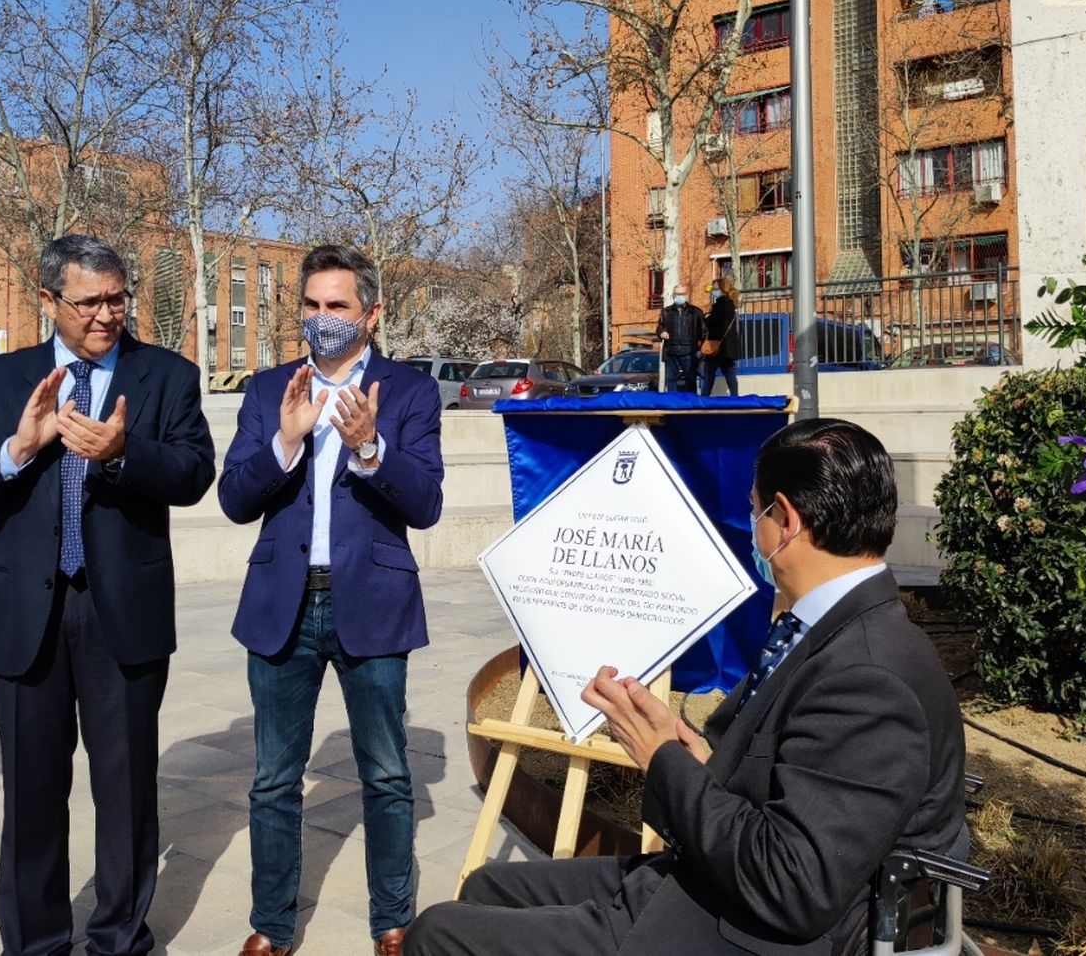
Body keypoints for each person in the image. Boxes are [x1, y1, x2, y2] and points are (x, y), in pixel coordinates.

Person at [404, 418, 967, 956]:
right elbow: (792, 784)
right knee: (487, 886)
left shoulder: (869, 674)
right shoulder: (830, 628)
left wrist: (661, 759)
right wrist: (693, 756)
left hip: (756, 930)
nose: (755, 529)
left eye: (755, 511)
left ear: (786, 519)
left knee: (438, 935)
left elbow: (795, 886)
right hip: (720, 882)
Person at [0, 234, 215, 956]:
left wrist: (123, 453)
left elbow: (193, 472)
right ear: (48, 300)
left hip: (123, 612)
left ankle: (119, 936)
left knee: (125, 795)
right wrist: (18, 448)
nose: (106, 315)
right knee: (31, 797)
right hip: (27, 616)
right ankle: (35, 944)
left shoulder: (166, 377)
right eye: (89, 302)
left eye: (117, 299)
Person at [219, 243, 446, 956]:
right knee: (273, 780)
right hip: (282, 604)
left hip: (373, 602)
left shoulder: (408, 392)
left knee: (385, 773)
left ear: (371, 314)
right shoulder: (267, 391)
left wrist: (372, 448)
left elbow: (428, 503)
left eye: (338, 306)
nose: (322, 320)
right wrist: (285, 442)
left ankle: (393, 920)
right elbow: (232, 497)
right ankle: (273, 924)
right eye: (312, 306)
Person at [655, 284, 706, 394]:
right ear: (673, 295)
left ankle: (691, 403)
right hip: (671, 352)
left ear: (686, 295)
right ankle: (673, 403)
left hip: (688, 352)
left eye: (682, 294)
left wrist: (700, 349)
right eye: (678, 294)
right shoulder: (666, 312)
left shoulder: (695, 312)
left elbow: (703, 331)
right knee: (670, 379)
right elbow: (660, 327)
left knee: (690, 379)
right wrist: (661, 332)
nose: (680, 296)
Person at [698, 276, 741, 397]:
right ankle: (735, 396)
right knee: (729, 371)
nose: (713, 290)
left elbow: (712, 322)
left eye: (715, 288)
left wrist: (706, 318)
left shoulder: (720, 304)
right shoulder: (731, 304)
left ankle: (705, 397)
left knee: (709, 371)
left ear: (722, 289)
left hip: (717, 345)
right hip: (728, 346)